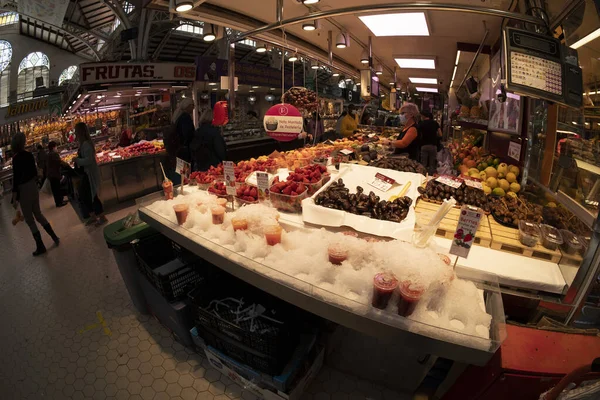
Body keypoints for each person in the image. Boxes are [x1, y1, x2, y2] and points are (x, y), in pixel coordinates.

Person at [11, 132, 60, 256]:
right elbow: (34, 171)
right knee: (38, 214)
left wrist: (14, 196)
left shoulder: (16, 158)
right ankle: (54, 236)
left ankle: (40, 246)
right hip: (33, 187)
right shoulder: (29, 155)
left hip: (23, 189)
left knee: (30, 220)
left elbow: (16, 178)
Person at [74, 122, 107, 226]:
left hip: (89, 174)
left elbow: (89, 160)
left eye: (76, 131)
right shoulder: (84, 143)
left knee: (92, 196)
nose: (75, 133)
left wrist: (77, 160)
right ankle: (94, 216)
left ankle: (102, 217)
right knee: (85, 195)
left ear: (80, 132)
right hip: (87, 173)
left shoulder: (86, 144)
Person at [171, 98, 195, 162]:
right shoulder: (185, 117)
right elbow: (187, 134)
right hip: (185, 148)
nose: (193, 107)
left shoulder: (178, 116)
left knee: (182, 169)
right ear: (188, 106)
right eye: (192, 105)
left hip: (179, 148)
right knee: (187, 168)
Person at [47, 141, 68, 207]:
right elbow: (59, 162)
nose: (56, 148)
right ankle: (60, 202)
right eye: (56, 146)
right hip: (55, 174)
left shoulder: (48, 154)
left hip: (50, 174)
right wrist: (66, 164)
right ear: (53, 147)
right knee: (57, 188)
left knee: (55, 189)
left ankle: (58, 201)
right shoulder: (54, 154)